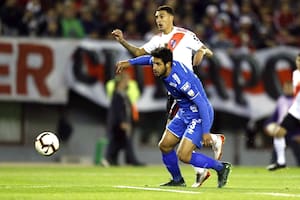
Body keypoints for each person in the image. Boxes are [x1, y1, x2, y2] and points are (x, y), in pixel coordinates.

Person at [112, 4, 225, 187]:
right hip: (175, 95)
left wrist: (202, 52)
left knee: (183, 151)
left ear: (171, 17)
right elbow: (144, 55)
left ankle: (211, 144)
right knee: (166, 144)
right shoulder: (158, 42)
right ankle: (186, 176)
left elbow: (206, 51)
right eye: (156, 17)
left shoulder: (185, 35)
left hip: (188, 91)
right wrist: (124, 46)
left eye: (161, 16)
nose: (158, 20)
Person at [264, 54, 300, 170]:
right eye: (298, 60)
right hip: (294, 114)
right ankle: (280, 162)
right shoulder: (295, 75)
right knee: (279, 134)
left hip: (296, 121)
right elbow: (275, 115)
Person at [104, 73, 144, 166]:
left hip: (123, 122)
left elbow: (127, 110)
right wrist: (123, 122)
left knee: (118, 143)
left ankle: (111, 160)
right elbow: (118, 110)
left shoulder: (124, 94)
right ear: (121, 82)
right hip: (118, 124)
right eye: (126, 81)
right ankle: (130, 160)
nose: (127, 83)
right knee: (121, 142)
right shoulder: (117, 95)